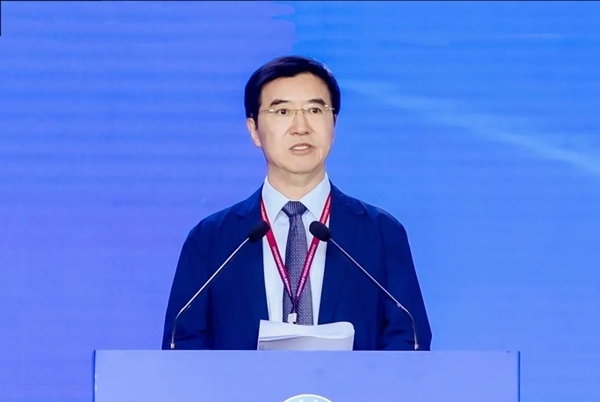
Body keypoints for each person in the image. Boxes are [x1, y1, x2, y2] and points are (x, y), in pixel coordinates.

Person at [161, 55, 432, 350]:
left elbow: (409, 340)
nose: (300, 127)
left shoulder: (381, 233)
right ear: (254, 130)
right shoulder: (211, 239)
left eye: (315, 110)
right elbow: (183, 343)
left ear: (333, 123)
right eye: (282, 111)